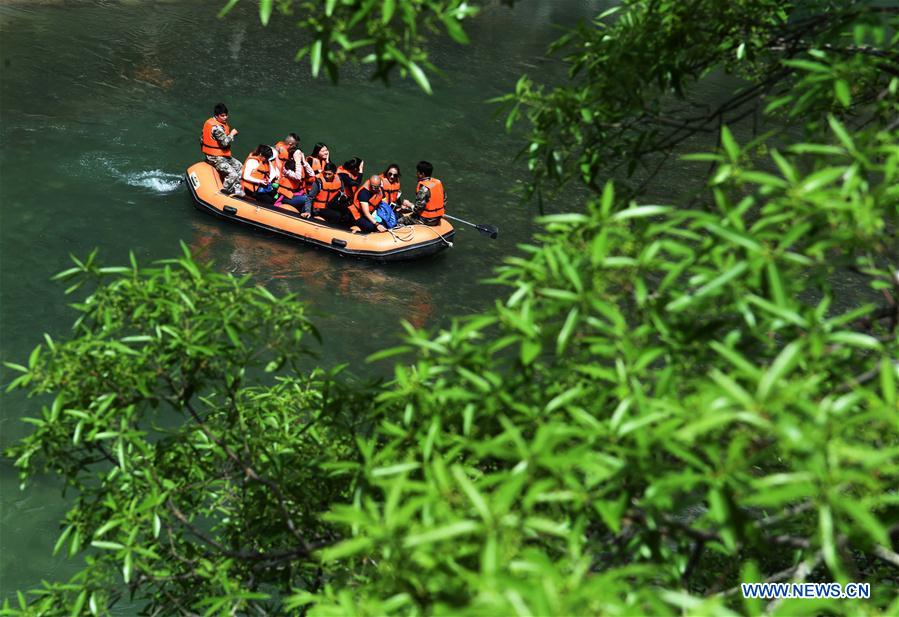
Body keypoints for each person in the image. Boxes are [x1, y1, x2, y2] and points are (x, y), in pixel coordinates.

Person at [200, 103, 243, 196]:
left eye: (226, 115)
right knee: (233, 174)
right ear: (216, 115)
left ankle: (236, 189)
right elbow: (225, 143)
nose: (225, 117)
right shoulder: (216, 127)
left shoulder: (217, 123)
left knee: (240, 167)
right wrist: (232, 134)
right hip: (214, 157)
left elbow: (201, 139)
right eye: (222, 116)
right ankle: (223, 193)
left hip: (222, 155)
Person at [398, 160, 446, 226]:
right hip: (438, 218)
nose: (416, 174)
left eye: (417, 172)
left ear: (422, 174)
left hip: (426, 220)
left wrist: (408, 204)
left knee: (400, 221)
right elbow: (445, 200)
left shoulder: (424, 189)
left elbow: (417, 209)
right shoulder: (437, 183)